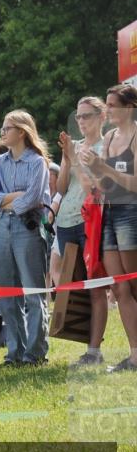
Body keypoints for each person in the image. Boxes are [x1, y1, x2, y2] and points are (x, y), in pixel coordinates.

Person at [0, 110, 51, 368]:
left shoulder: (37, 162)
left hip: (28, 228)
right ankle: (14, 353)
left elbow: (34, 198)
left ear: (21, 131)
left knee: (33, 293)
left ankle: (34, 354)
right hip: (2, 227)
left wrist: (7, 201)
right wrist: (13, 198)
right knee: (7, 293)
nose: (2, 133)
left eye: (6, 129)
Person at [79, 84, 137, 373]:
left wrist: (105, 169)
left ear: (129, 107)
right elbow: (106, 183)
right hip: (108, 213)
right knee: (120, 286)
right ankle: (134, 354)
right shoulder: (111, 137)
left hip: (130, 213)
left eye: (113, 105)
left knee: (133, 285)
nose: (109, 109)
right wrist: (93, 174)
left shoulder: (135, 136)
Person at [57, 96, 109, 367]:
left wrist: (75, 160)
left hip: (90, 221)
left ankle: (94, 351)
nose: (81, 121)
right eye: (78, 117)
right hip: (65, 221)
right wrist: (68, 159)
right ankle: (84, 344)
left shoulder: (106, 147)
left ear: (102, 117)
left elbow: (94, 190)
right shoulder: (74, 147)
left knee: (96, 286)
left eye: (87, 116)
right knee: (73, 287)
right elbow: (62, 188)